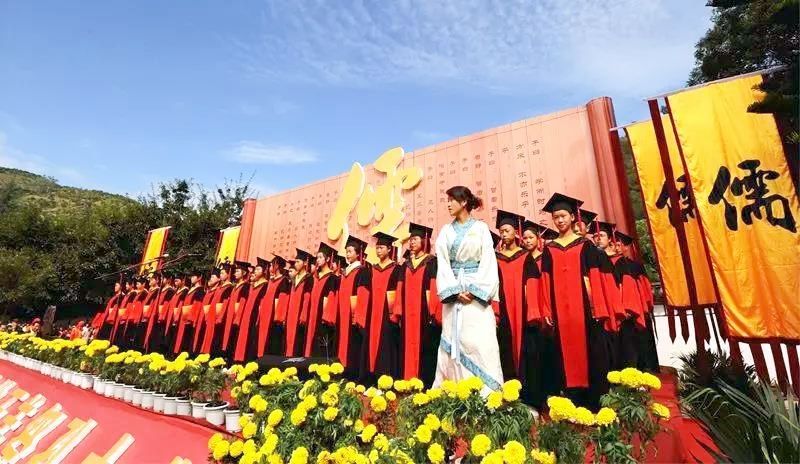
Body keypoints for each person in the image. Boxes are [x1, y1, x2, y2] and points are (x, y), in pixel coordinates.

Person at [539, 193, 615, 408]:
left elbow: (595, 277)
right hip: (559, 311)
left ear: (573, 217)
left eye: (563, 216)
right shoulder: (550, 249)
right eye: (556, 217)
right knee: (564, 355)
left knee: (591, 352)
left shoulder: (586, 245)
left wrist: (597, 307)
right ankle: (572, 400)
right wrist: (546, 309)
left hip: (585, 310)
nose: (559, 220)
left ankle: (595, 402)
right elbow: (545, 280)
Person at [433, 186, 503, 395]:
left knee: (480, 341)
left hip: (476, 295)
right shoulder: (445, 231)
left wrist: (473, 291)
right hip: (454, 294)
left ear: (463, 202)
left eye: (451, 200)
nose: (448, 204)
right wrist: (455, 291)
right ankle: (453, 390)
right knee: (453, 339)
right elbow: (443, 263)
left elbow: (488, 262)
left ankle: (486, 393)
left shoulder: (481, 229)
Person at [400, 222, 441, 386]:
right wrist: (398, 311)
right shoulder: (406, 265)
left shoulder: (431, 262)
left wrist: (433, 311)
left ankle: (424, 382)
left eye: (415, 239)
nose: (411, 242)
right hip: (407, 313)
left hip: (424, 314)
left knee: (426, 347)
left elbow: (434, 285)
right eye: (410, 240)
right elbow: (400, 288)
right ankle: (407, 379)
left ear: (424, 240)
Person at [325, 236, 370, 381]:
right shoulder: (343, 273)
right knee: (339, 344)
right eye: (346, 251)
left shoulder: (362, 271)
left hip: (353, 318)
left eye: (350, 251)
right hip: (341, 316)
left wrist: (358, 317)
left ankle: (351, 376)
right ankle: (339, 374)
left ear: (358, 253)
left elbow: (363, 294)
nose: (347, 254)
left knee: (352, 346)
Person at [364, 232, 404, 382]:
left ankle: (386, 380)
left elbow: (399, 292)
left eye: (381, 248)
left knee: (386, 346)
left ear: (389, 249)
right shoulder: (371, 270)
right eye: (377, 248)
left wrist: (396, 315)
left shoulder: (397, 269)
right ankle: (371, 377)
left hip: (388, 316)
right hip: (372, 315)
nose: (378, 250)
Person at [494, 210, 528, 381]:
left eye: (507, 230)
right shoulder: (496, 259)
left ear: (516, 231)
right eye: (501, 231)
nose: (504, 234)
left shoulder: (526, 256)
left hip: (523, 308)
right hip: (503, 307)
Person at [519, 220, 548, 407]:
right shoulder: (522, 259)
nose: (528, 241)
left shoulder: (546, 258)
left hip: (542, 310)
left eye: (531, 237)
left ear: (538, 239)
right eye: (525, 238)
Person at [233, 258, 270, 362]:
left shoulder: (266, 285)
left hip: (255, 318)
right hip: (246, 317)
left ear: (264, 271)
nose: (255, 271)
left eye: (258, 269)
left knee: (252, 341)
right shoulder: (251, 286)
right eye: (255, 269)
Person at [307, 243, 339, 358]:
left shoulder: (332, 278)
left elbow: (332, 299)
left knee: (321, 347)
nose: (318, 260)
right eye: (317, 257)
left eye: (320, 257)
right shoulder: (314, 277)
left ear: (328, 259)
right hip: (312, 316)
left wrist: (327, 317)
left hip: (323, 319)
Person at [257, 255, 291, 357]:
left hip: (274, 318)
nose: (270, 268)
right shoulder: (270, 281)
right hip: (265, 315)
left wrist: (277, 317)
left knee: (271, 342)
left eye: (271, 265)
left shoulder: (284, 280)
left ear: (277, 266)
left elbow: (282, 300)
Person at [285, 250, 314, 357]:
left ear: (305, 263)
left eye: (298, 262)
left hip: (300, 314)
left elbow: (307, 298)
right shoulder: (294, 278)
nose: (296, 264)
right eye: (295, 261)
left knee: (298, 340)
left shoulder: (308, 278)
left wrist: (303, 314)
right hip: (291, 313)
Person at [221, 261, 250, 360]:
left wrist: (237, 318)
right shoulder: (235, 287)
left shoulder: (245, 286)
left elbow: (242, 302)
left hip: (236, 318)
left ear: (244, 273)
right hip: (229, 316)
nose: (235, 273)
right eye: (235, 271)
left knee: (233, 339)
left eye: (237, 271)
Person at [173, 270, 205, 355]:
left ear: (199, 278)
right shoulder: (190, 289)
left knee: (186, 338)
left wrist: (191, 318)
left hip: (190, 319)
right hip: (183, 317)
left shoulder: (200, 290)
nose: (191, 278)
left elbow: (197, 305)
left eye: (194, 276)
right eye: (191, 276)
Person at [144, 272, 175, 353]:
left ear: (168, 280)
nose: (162, 280)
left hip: (162, 319)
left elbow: (167, 305)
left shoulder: (170, 291)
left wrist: (161, 317)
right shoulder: (161, 290)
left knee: (159, 338)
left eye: (163, 278)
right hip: (155, 316)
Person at [164, 274, 189, 352]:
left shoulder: (185, 291)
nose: (175, 282)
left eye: (177, 281)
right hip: (171, 317)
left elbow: (181, 305)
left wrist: (176, 317)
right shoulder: (176, 291)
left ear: (183, 281)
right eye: (175, 281)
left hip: (177, 318)